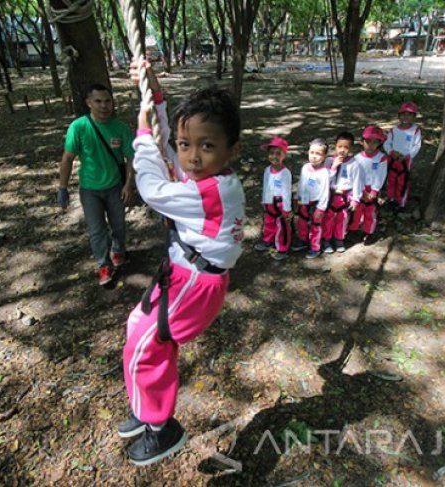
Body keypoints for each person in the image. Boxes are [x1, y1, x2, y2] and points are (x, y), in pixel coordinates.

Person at [119, 62, 245, 466]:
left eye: (206, 146)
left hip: (196, 282)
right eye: (187, 144)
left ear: (232, 151)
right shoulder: (204, 174)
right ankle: (146, 405)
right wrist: (154, 95)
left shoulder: (212, 191)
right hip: (183, 273)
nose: (190, 156)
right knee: (138, 330)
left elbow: (152, 186)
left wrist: (140, 135)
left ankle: (162, 427)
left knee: (145, 342)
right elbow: (167, 144)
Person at [56, 83, 135, 286]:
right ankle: (104, 265)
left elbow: (130, 160)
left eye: (107, 101)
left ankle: (118, 250)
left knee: (118, 224)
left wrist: (128, 185)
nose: (103, 106)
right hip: (90, 189)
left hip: (115, 187)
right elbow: (67, 158)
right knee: (96, 229)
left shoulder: (121, 128)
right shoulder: (79, 127)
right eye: (98, 101)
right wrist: (62, 187)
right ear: (88, 103)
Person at [322, 132, 364, 253]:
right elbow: (325, 180)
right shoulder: (329, 162)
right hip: (330, 196)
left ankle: (339, 239)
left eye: (346, 147)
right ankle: (326, 240)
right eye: (340, 146)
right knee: (328, 219)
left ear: (351, 148)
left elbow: (357, 182)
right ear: (335, 146)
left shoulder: (354, 164)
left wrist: (356, 199)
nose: (342, 150)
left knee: (342, 218)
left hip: (345, 197)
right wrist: (334, 167)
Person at [254, 136, 292, 261]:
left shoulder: (285, 173)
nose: (274, 156)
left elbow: (286, 192)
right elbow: (266, 185)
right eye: (271, 153)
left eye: (278, 154)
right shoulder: (267, 170)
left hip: (281, 203)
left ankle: (282, 247)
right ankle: (268, 240)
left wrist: (286, 209)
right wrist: (265, 201)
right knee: (269, 221)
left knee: (282, 225)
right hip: (270, 201)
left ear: (284, 155)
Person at [349, 126, 389, 245]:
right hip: (359, 190)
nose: (371, 145)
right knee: (357, 212)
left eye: (375, 142)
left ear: (380, 143)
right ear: (362, 142)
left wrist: (374, 191)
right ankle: (354, 231)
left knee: (370, 213)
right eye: (368, 141)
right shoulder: (356, 158)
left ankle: (369, 232)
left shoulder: (382, 158)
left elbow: (381, 175)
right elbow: (355, 176)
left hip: (372, 191)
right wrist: (361, 191)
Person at [291, 138, 330, 259]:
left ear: (324, 157)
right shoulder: (305, 167)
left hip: (316, 203)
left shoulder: (324, 172)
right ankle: (303, 240)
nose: (314, 156)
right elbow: (301, 184)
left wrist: (321, 208)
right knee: (302, 221)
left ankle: (315, 246)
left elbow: (325, 192)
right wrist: (297, 198)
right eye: (311, 153)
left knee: (315, 225)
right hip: (304, 200)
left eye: (318, 154)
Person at [384, 101, 421, 210]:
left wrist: (408, 155)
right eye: (403, 114)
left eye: (409, 114)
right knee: (391, 179)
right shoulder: (394, 130)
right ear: (399, 116)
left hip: (406, 160)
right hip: (393, 159)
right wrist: (391, 152)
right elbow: (387, 143)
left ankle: (401, 202)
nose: (406, 117)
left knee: (402, 180)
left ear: (414, 117)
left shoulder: (415, 130)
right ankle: (390, 198)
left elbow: (417, 145)